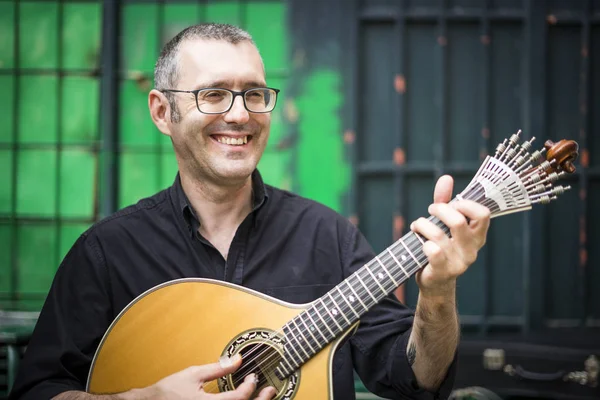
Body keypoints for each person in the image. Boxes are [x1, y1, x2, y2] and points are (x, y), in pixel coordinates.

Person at [8, 23, 490, 400]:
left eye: (254, 93)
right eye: (213, 94)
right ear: (162, 112)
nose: (239, 114)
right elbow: (36, 391)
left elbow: (416, 381)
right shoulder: (107, 253)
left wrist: (439, 291)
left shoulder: (329, 238)